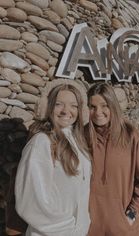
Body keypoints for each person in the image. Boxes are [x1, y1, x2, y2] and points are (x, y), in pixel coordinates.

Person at [14, 84, 91, 236]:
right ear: (49, 106)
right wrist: (67, 227)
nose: (66, 111)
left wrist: (82, 223)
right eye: (58, 104)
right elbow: (30, 200)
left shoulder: (77, 140)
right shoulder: (41, 142)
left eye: (73, 106)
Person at [86, 82, 139, 236]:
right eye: (93, 106)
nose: (98, 112)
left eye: (104, 105)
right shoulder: (82, 137)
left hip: (124, 230)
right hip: (89, 230)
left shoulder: (130, 135)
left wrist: (132, 214)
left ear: (113, 105)